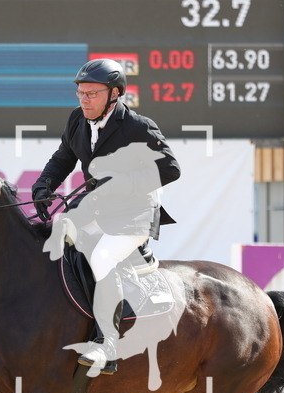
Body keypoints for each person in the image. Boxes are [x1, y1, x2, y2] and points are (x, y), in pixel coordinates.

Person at [32, 59, 180, 376]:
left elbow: (170, 169)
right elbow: (63, 158)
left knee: (102, 256)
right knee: (49, 241)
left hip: (136, 213)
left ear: (114, 94)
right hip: (98, 208)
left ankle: (107, 343)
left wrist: (122, 182)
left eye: (92, 94)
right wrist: (45, 184)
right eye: (81, 93)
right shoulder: (77, 121)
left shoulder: (138, 127)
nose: (84, 99)